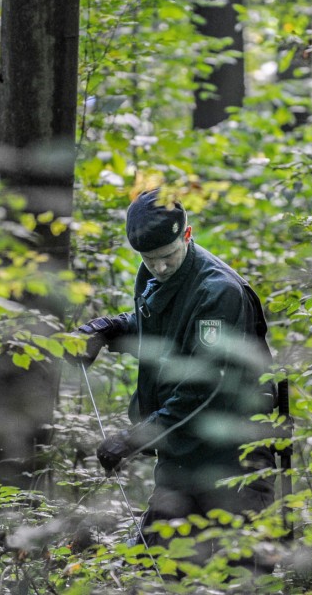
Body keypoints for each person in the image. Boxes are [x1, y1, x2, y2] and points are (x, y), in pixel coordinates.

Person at [77, 188, 277, 568]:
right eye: (149, 260)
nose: (160, 268)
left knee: (244, 574)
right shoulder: (156, 272)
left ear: (187, 234)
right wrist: (106, 330)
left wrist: (134, 438)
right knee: (152, 568)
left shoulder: (218, 292)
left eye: (167, 256)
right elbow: (163, 330)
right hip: (183, 456)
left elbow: (205, 390)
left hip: (234, 458)